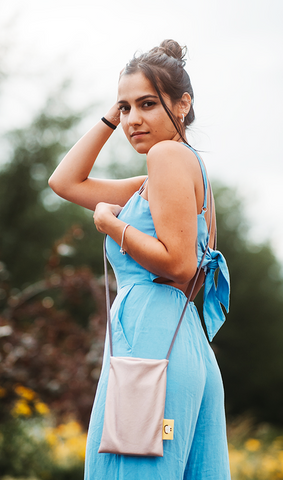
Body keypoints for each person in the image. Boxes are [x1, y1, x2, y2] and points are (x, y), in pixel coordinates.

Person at [49, 39, 231, 480]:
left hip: (152, 339)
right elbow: (65, 181)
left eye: (147, 104)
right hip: (184, 341)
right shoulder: (179, 167)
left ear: (182, 104)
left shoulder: (166, 157)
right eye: (125, 108)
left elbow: (180, 264)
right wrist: (111, 116)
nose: (132, 120)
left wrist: (113, 227)